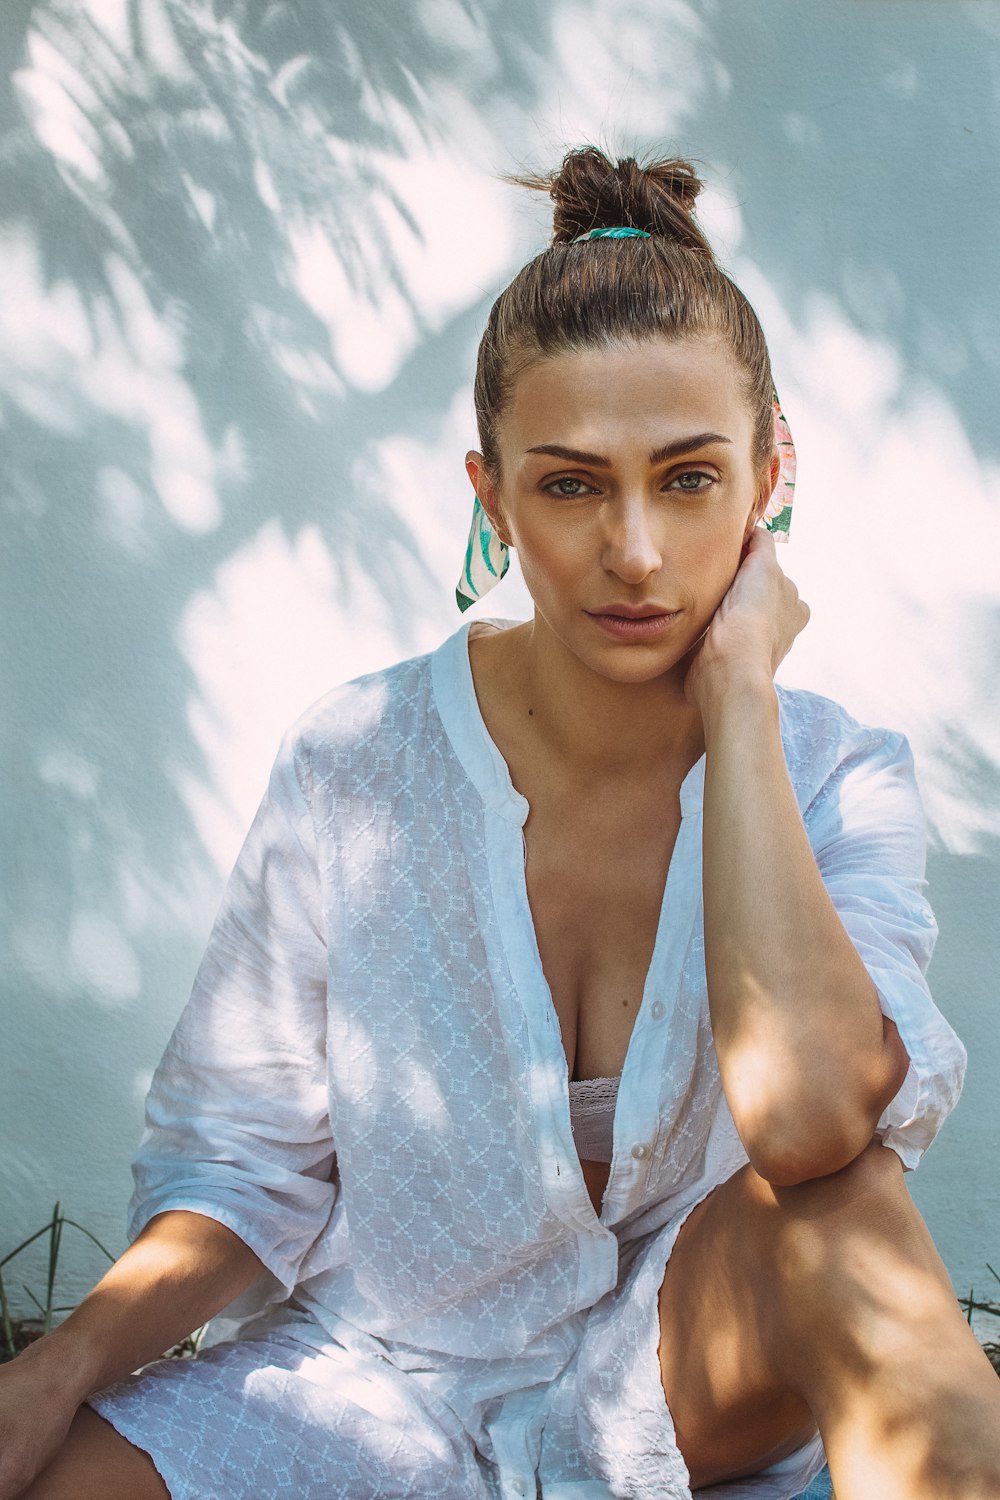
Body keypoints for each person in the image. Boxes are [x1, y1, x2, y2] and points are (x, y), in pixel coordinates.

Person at [1, 145, 997, 1500]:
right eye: (573, 483)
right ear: (494, 497)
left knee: (851, 1217)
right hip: (379, 1381)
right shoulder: (357, 760)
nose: (634, 551)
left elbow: (814, 1127)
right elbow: (248, 1166)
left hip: (673, 1390)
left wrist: (743, 705)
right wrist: (57, 1369)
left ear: (772, 477)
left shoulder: (837, 777)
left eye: (690, 478)